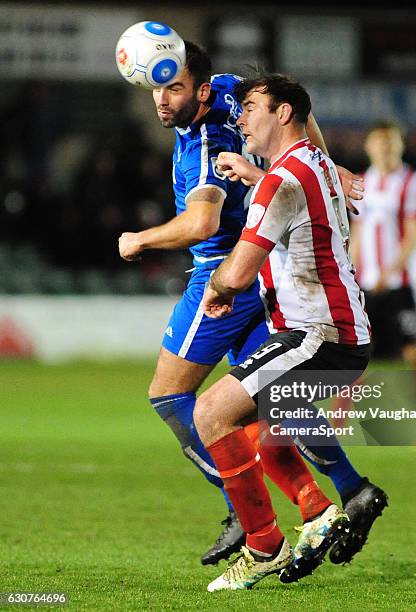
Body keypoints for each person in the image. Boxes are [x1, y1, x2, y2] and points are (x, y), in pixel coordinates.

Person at [118, 42, 385, 568]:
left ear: (197, 88)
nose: (162, 101)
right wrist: (328, 166)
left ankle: (246, 513)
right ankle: (333, 499)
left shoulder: (203, 151)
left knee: (171, 397)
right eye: (157, 88)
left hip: (224, 272)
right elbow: (294, 111)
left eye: (172, 88)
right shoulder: (225, 91)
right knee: (269, 405)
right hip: (266, 273)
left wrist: (139, 239)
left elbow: (203, 225)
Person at [194, 73, 372, 591]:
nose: (240, 118)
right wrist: (253, 171)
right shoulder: (315, 163)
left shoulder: (282, 180)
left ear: (284, 113)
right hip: (333, 331)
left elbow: (240, 270)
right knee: (261, 427)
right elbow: (292, 185)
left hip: (318, 335)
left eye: (250, 107)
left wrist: (219, 287)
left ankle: (262, 544)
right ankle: (331, 507)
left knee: (210, 412)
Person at [346, 120, 416, 443]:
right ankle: (336, 426)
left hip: (404, 283)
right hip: (368, 285)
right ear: (368, 147)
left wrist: (389, 272)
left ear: (400, 146)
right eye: (379, 142)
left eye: (390, 143)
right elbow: (357, 233)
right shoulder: (361, 183)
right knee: (353, 355)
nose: (384, 148)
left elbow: (415, 234)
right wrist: (348, 270)